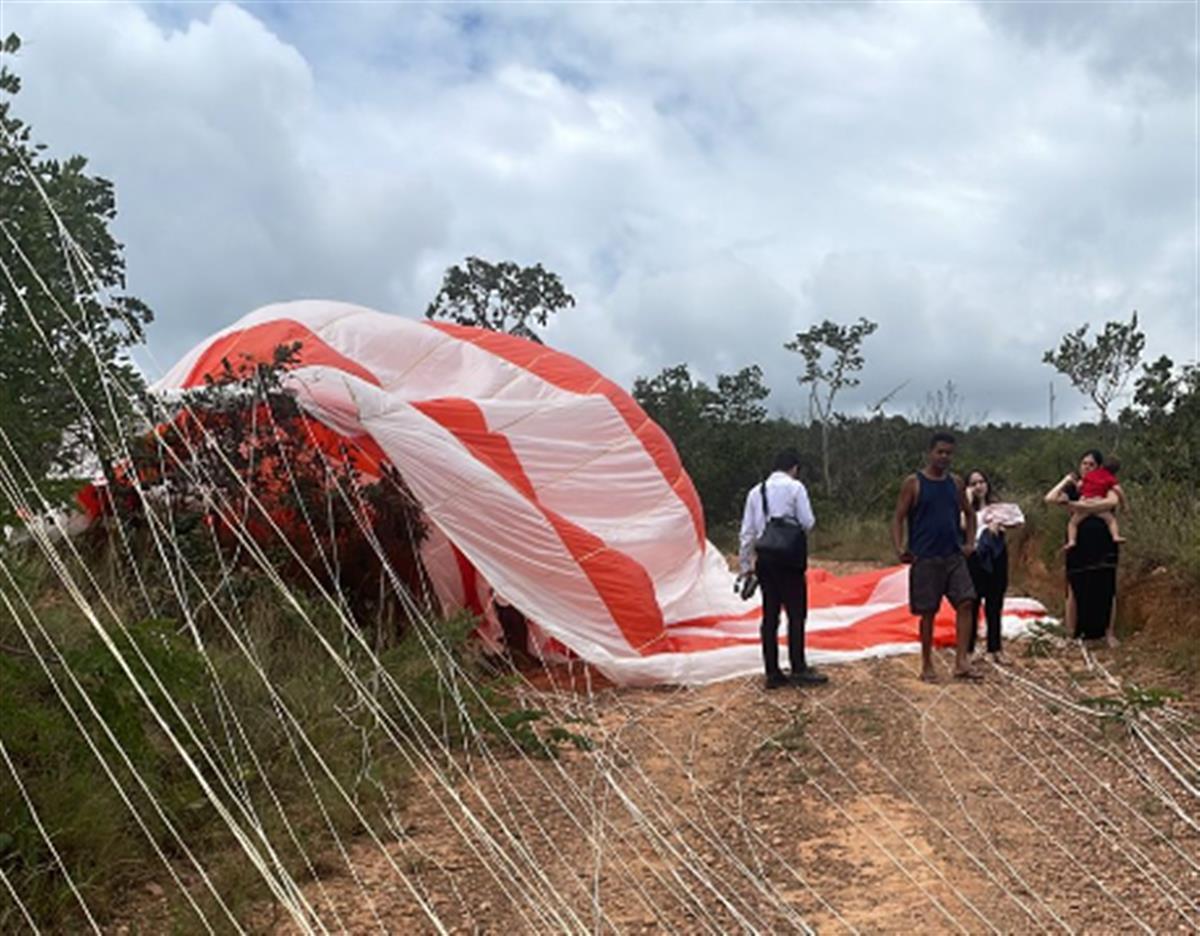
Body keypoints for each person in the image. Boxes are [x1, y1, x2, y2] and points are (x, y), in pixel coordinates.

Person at [891, 432, 979, 682]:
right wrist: (900, 548)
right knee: (928, 612)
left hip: (953, 556)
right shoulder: (914, 483)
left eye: (949, 453)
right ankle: (927, 663)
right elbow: (898, 517)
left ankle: (962, 662)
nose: (944, 457)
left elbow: (970, 514)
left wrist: (970, 542)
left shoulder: (956, 483)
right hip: (925, 558)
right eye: (940, 452)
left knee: (966, 601)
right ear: (930, 453)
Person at [737, 448, 824, 689]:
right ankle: (798, 667)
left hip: (765, 559)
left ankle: (772, 672)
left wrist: (746, 567)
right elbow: (808, 522)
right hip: (790, 558)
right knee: (796, 613)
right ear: (794, 468)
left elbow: (747, 534)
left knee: (770, 614)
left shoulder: (756, 492)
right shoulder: (796, 488)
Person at [1044, 449, 1121, 646]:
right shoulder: (1076, 487)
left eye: (1091, 464)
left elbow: (1113, 501)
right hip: (1079, 544)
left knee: (1107, 586)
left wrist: (1080, 507)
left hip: (1104, 542)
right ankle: (1071, 634)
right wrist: (1066, 481)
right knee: (1075, 586)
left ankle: (1109, 632)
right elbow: (1050, 498)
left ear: (1099, 467)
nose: (1086, 467)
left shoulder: (1105, 484)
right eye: (1084, 463)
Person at [964, 469, 1024, 666]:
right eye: (973, 483)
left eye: (981, 482)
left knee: (995, 603)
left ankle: (995, 648)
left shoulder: (997, 508)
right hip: (974, 560)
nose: (979, 486)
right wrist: (966, 498)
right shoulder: (965, 511)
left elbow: (1018, 521)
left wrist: (998, 524)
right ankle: (969, 649)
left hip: (997, 558)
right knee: (972, 604)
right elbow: (962, 525)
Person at [1064, 454, 1127, 550]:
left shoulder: (1091, 475)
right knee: (1111, 520)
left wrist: (1077, 487)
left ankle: (1072, 541)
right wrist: (1124, 504)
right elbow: (1118, 490)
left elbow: (1080, 485)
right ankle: (1115, 536)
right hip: (1098, 503)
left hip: (1085, 502)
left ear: (1101, 466)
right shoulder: (1111, 478)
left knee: (1073, 523)